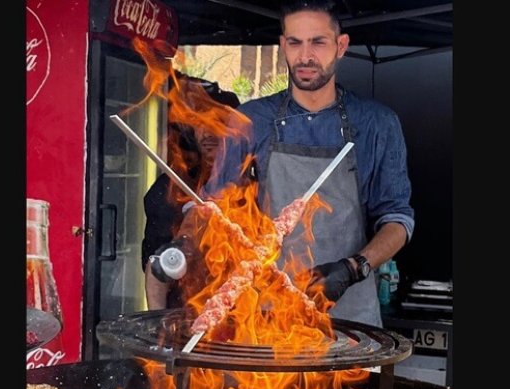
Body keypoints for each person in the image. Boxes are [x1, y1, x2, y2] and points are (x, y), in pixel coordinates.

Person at [202, 0, 415, 327]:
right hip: (269, 313)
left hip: (350, 317)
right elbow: (215, 209)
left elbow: (398, 221)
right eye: (295, 42)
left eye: (318, 42)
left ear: (340, 46)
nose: (305, 56)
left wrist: (352, 268)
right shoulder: (251, 120)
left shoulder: (377, 123)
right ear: (282, 46)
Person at [141, 78, 240, 310]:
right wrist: (158, 327)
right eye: (199, 122)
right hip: (184, 312)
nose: (208, 132)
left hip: (242, 313)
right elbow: (155, 265)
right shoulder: (171, 187)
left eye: (218, 121)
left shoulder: (252, 182)